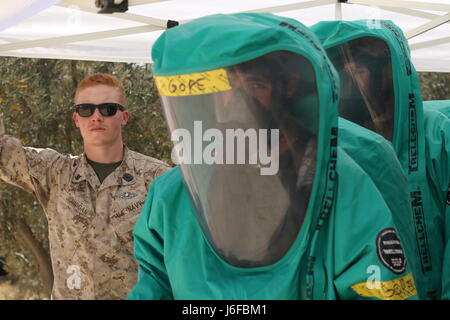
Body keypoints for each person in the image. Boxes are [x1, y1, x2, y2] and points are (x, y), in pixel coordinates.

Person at [127, 13, 418, 300]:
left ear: (287, 87)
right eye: (227, 88)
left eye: (255, 85)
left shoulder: (340, 184)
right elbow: (154, 283)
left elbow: (380, 290)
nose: (238, 102)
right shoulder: (174, 194)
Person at [312, 20, 450, 299]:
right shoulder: (331, 147)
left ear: (394, 70)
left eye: (361, 67)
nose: (353, 80)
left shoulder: (437, 136)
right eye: (341, 68)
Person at [0, 73, 170, 299]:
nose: (96, 117)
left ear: (124, 117)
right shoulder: (55, 173)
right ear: (76, 119)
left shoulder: (157, 177)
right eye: (86, 110)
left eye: (108, 109)